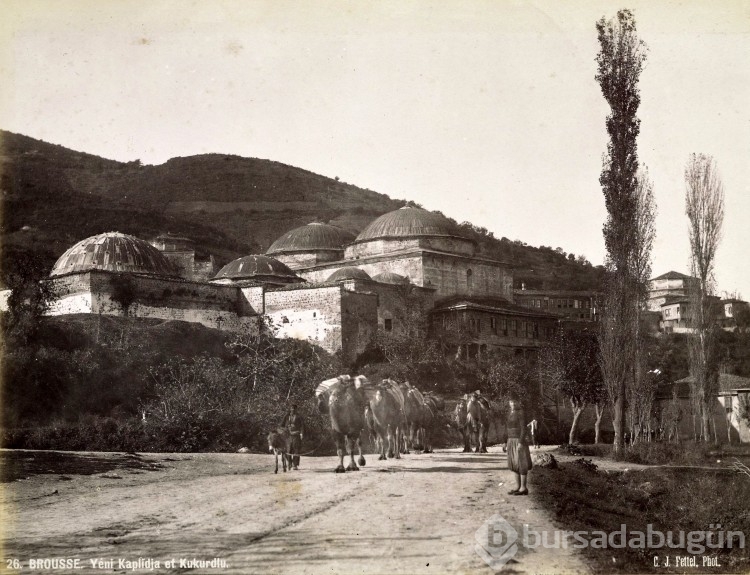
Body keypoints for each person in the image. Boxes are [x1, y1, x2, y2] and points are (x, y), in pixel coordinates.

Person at [506, 395, 532, 496]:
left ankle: (523, 488)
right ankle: (517, 487)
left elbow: (523, 429)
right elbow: (507, 428)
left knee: (521, 463)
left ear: (518, 403)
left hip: (518, 440)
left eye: (515, 402)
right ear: (509, 403)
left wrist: (521, 442)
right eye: (511, 402)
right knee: (514, 463)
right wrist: (505, 442)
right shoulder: (510, 413)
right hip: (511, 440)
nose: (513, 404)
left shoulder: (521, 413)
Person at [281, 404, 305, 470]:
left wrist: (301, 433)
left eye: (294, 408)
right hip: (288, 435)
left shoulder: (299, 417)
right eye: (291, 408)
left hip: (296, 435)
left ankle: (295, 464)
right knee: (287, 450)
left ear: (296, 409)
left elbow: (302, 426)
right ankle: (289, 462)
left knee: (296, 450)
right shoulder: (286, 416)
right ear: (290, 409)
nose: (292, 410)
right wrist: (284, 431)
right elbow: (281, 425)